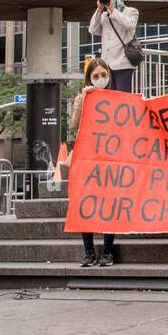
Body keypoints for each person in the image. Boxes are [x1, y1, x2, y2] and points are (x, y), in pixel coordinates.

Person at [69, 57, 118, 266]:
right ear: (89, 79)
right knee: (85, 203)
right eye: (95, 76)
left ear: (109, 75)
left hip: (110, 160)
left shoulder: (117, 99)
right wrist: (84, 99)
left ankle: (108, 251)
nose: (100, 79)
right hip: (87, 160)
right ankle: (88, 252)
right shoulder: (83, 98)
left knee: (110, 205)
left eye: (103, 75)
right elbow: (74, 125)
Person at [88, 0, 140, 93]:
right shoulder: (104, 15)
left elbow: (129, 25)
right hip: (106, 64)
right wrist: (99, 10)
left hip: (123, 62)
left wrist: (113, 10)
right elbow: (93, 30)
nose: (112, 0)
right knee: (109, 97)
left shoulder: (131, 11)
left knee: (122, 97)